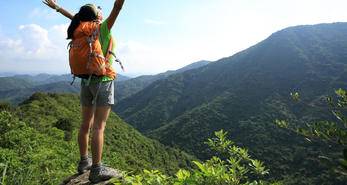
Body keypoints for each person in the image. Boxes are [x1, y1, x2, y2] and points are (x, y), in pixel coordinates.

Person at [42, 0, 125, 183]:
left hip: (84, 81)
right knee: (98, 127)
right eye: (98, 10)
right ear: (96, 16)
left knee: (84, 125)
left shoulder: (79, 29)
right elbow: (117, 7)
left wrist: (57, 8)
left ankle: (83, 162)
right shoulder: (101, 29)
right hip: (103, 81)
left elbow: (74, 17)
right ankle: (96, 170)